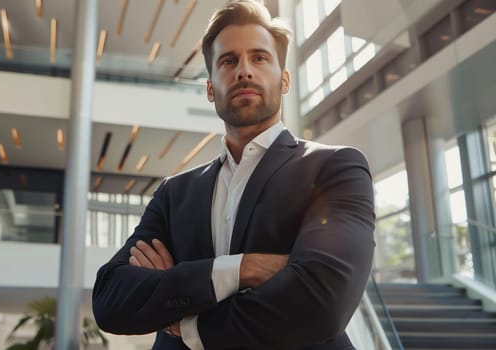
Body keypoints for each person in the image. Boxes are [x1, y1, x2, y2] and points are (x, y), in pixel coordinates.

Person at [92, 1, 375, 349]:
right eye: (228, 61)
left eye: (259, 58)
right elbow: (110, 298)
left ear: (284, 80)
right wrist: (242, 269)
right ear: (210, 89)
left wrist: (187, 323)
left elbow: (320, 302)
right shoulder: (174, 194)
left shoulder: (335, 168)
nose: (244, 71)